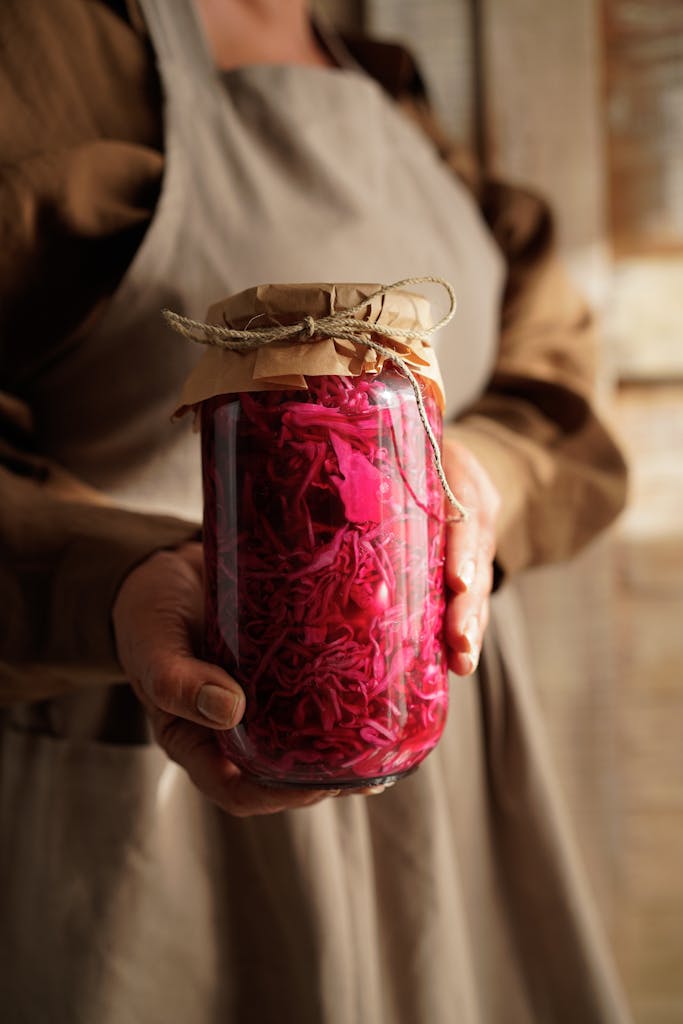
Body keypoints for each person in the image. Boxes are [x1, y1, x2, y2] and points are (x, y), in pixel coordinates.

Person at [0, 1, 631, 1021]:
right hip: (163, 748)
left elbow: (556, 374)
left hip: (443, 758)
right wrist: (109, 575)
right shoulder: (42, 45)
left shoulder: (385, 79)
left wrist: (476, 476)